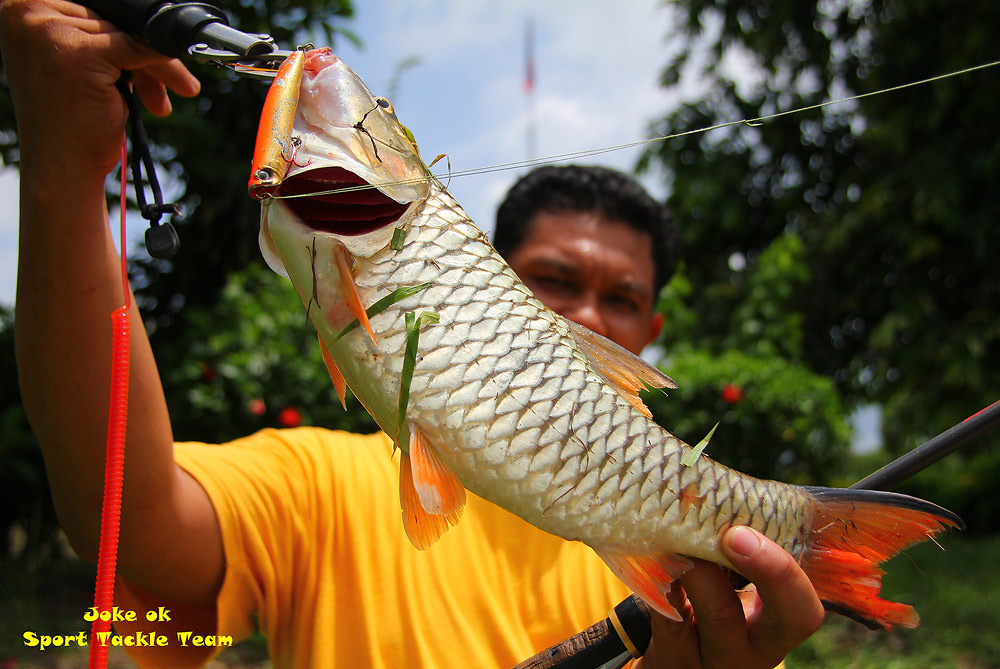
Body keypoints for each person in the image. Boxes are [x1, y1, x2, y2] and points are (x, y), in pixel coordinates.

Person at [2, 1, 824, 667]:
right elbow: (124, 526)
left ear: (650, 330)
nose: (579, 315)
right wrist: (65, 170)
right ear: (492, 277)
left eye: (619, 298)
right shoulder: (319, 484)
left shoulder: (699, 581)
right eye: (553, 282)